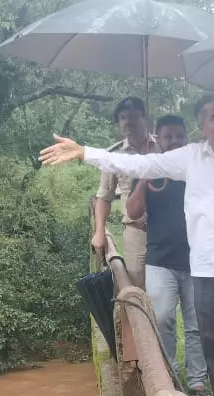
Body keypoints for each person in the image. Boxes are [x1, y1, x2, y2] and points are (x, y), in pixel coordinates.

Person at [38, 94, 214, 396]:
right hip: (203, 268)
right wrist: (85, 152)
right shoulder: (189, 158)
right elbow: (142, 165)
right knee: (213, 343)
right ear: (202, 126)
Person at [123, 114, 207, 394]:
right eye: (168, 136)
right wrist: (142, 183)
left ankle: (197, 378)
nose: (174, 141)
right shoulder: (151, 169)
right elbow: (132, 212)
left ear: (187, 138)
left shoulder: (197, 168)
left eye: (179, 136)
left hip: (196, 259)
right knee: (163, 318)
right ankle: (169, 374)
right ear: (159, 138)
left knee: (197, 322)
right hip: (160, 259)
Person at [93, 96, 152, 288]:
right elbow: (104, 197)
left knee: (168, 293)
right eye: (122, 118)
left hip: (167, 233)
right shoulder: (113, 157)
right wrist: (100, 232)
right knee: (137, 290)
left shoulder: (163, 147)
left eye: (132, 116)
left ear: (145, 118)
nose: (127, 122)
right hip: (136, 233)